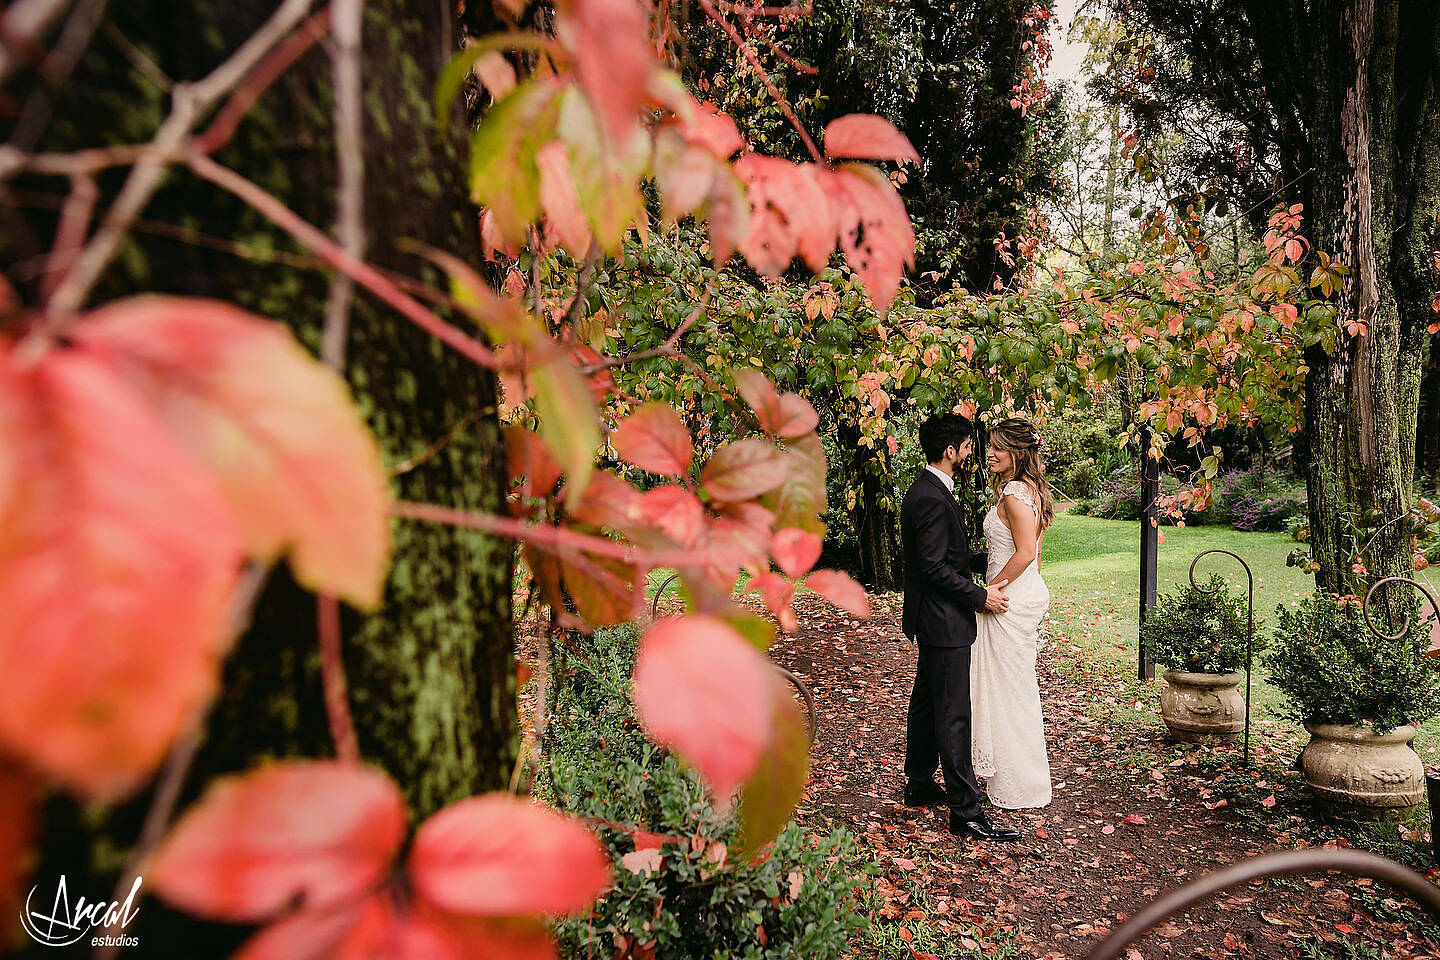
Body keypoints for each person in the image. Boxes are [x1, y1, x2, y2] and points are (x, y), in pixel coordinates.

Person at [899, 413, 1020, 842]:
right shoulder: (932, 497)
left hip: (930, 618)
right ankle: (965, 811)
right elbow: (932, 567)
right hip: (943, 619)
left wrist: (978, 562)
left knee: (928, 702)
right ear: (950, 450)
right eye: (967, 445)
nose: (972, 452)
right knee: (953, 714)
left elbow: (938, 558)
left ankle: (917, 782)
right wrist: (979, 596)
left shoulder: (926, 489)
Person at [971, 416, 1055, 809]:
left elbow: (1026, 553)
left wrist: (992, 589)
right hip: (1020, 594)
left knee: (1007, 690)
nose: (990, 453)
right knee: (1008, 687)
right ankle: (1006, 774)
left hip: (1008, 600)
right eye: (989, 446)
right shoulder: (1029, 490)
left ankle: (1016, 780)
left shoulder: (1013, 492)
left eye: (998, 447)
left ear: (1017, 453)